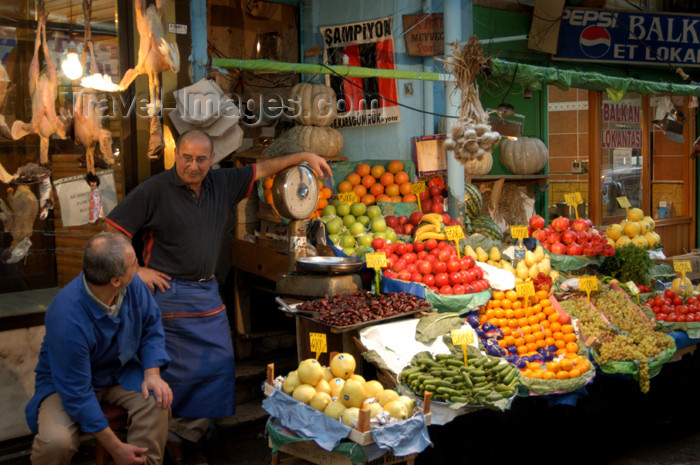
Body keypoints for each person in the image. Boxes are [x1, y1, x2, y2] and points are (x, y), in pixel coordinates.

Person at [105, 129, 332, 462]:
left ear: (211, 160)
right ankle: (175, 445)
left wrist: (304, 158)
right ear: (176, 156)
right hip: (166, 296)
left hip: (206, 292)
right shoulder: (154, 190)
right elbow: (112, 232)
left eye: (200, 159)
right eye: (186, 157)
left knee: (218, 368)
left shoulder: (223, 183)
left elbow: (264, 168)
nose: (193, 166)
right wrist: (137, 271)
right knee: (171, 373)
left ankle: (186, 435)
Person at [25, 232, 172, 465]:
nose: (139, 267)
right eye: (134, 263)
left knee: (157, 400)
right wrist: (116, 449)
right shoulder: (66, 315)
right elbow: (78, 394)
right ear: (115, 280)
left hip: (118, 372)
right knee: (56, 442)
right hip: (66, 384)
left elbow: (151, 325)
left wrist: (152, 374)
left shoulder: (133, 285)